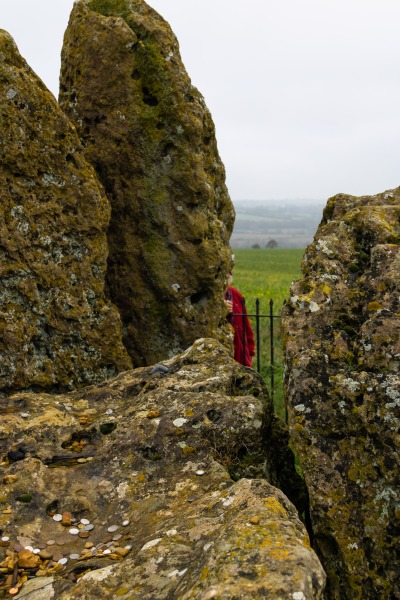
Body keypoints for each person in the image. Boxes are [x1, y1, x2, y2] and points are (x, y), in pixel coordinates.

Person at [224, 271, 255, 367]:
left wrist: (250, 351)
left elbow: (245, 324)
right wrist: (220, 308)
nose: (226, 280)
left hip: (242, 355)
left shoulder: (235, 294)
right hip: (226, 355)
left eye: (228, 276)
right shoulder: (210, 298)